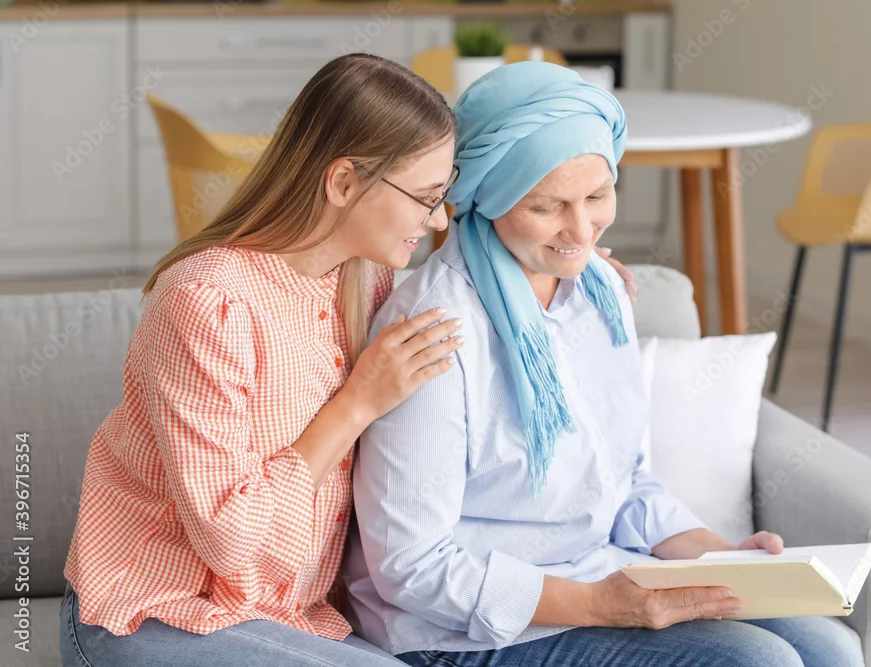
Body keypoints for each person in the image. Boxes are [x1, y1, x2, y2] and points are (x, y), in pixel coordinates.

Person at [59, 54, 634, 667]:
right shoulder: (206, 302)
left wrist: (573, 268)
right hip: (156, 612)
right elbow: (230, 538)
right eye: (424, 198)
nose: (438, 219)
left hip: (294, 617)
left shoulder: (367, 278)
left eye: (442, 196)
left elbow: (473, 276)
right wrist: (358, 402)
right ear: (342, 183)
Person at [343, 62, 866, 667]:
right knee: (756, 661)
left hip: (597, 573)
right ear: (489, 198)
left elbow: (624, 484)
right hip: (462, 631)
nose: (580, 230)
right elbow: (411, 567)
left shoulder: (601, 291)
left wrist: (723, 557)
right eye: (547, 206)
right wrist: (600, 605)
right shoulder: (433, 331)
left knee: (828, 645)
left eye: (596, 196)